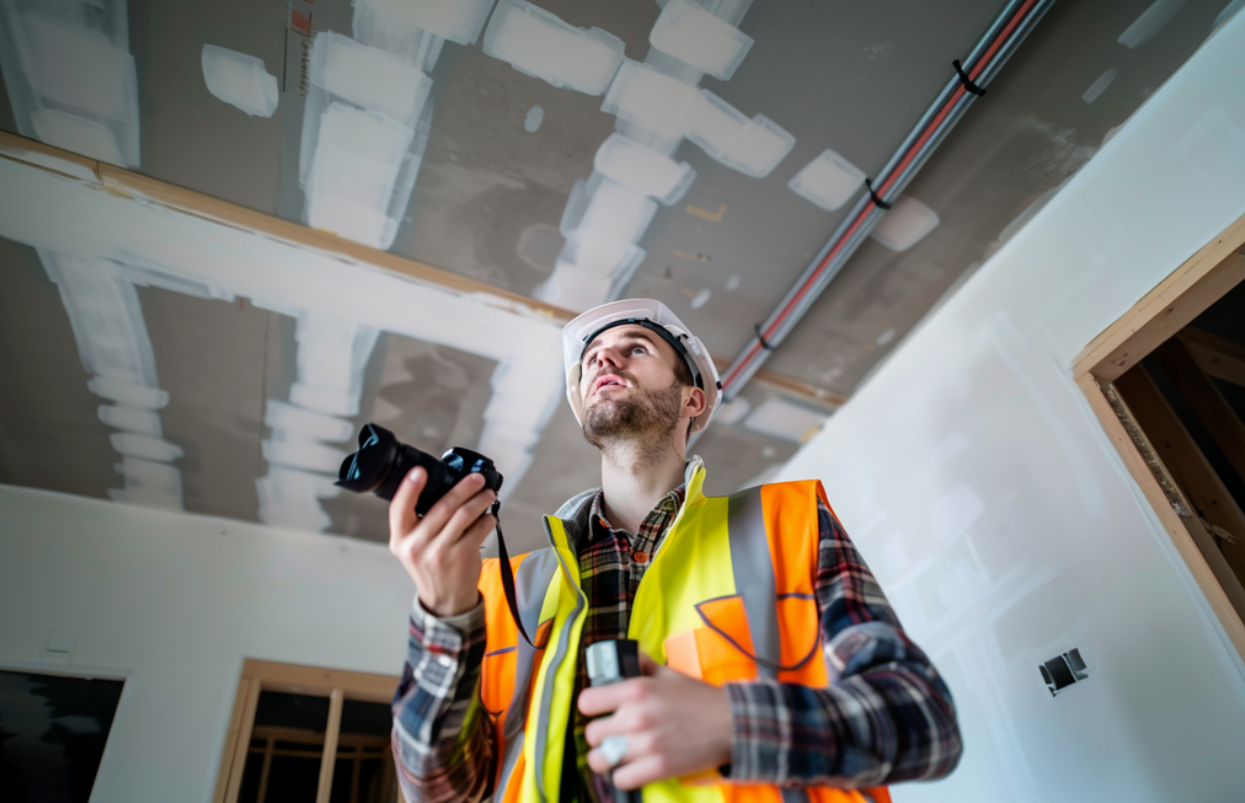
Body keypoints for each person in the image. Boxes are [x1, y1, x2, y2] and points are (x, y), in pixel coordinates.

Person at [387, 299, 960, 803]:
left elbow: (923, 720)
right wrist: (443, 615)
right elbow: (439, 791)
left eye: (634, 348)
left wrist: (734, 725)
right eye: (592, 360)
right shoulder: (498, 589)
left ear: (693, 399)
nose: (604, 361)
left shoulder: (788, 524)